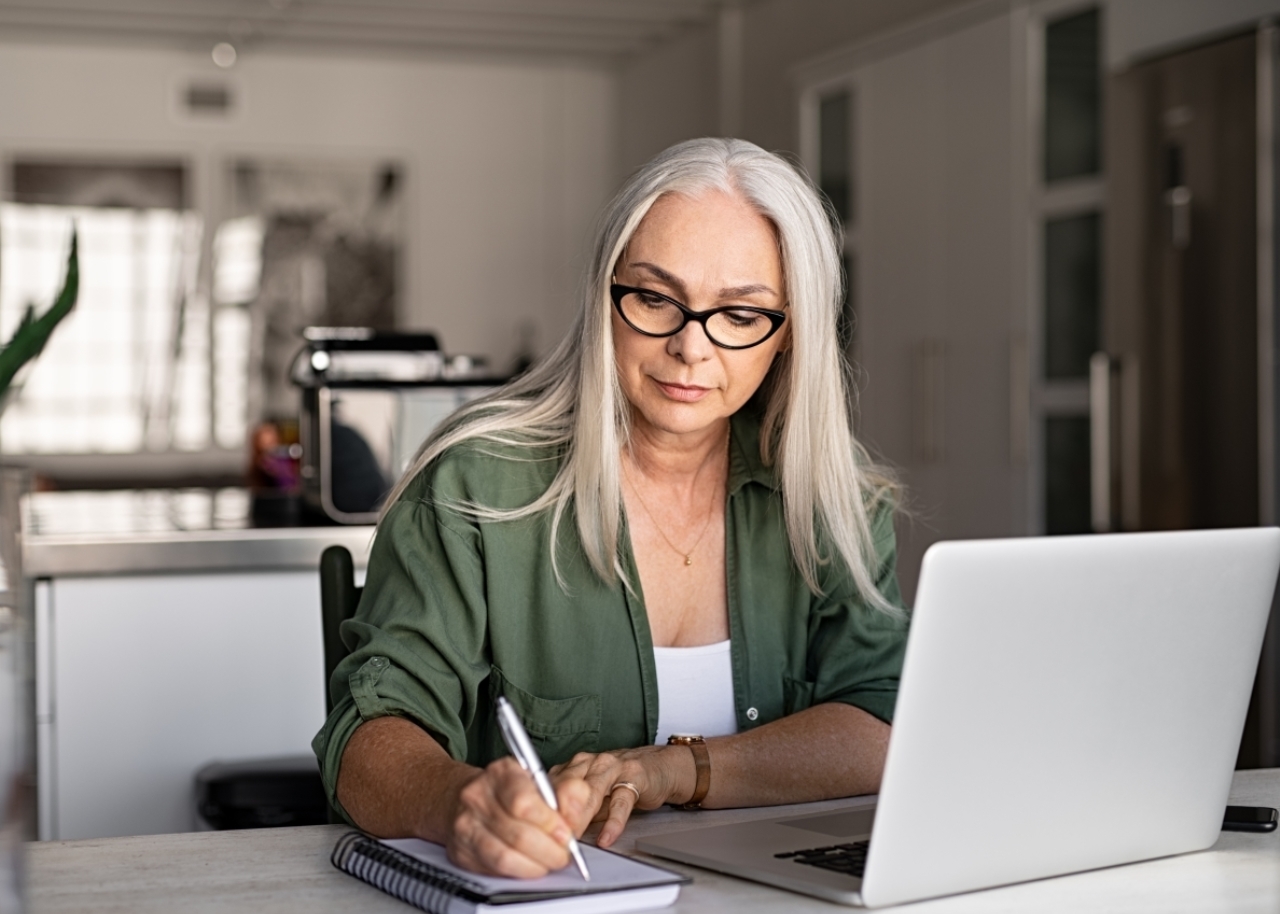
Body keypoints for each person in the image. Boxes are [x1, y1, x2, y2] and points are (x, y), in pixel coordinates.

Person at [312, 137, 910, 879]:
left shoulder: (834, 495)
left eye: (740, 313)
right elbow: (368, 736)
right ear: (605, 296)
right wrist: (455, 802)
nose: (691, 347)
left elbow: (883, 724)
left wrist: (670, 770)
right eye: (656, 299)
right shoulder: (473, 482)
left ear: (788, 335)